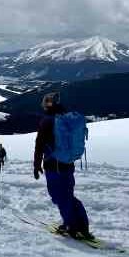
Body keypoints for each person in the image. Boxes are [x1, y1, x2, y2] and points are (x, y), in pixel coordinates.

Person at [33, 92, 92, 239]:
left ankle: (71, 227)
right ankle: (81, 225)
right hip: (67, 164)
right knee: (67, 195)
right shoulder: (66, 118)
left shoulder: (47, 121)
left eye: (45, 102)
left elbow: (39, 145)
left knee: (59, 196)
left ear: (48, 104)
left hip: (54, 165)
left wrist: (36, 165)